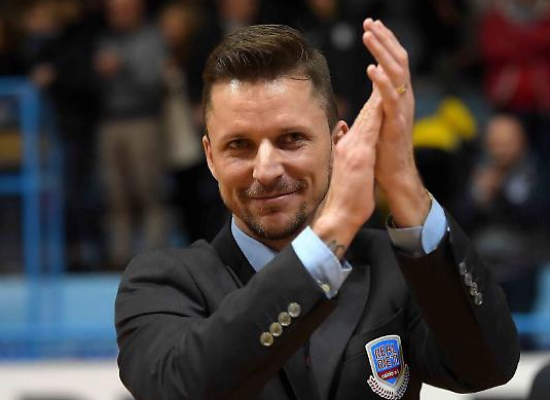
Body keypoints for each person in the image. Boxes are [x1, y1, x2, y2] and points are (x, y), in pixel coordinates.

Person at [115, 20, 519, 400]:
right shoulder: (162, 282)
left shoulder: (398, 266)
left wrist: (403, 183)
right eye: (239, 145)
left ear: (338, 143)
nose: (266, 170)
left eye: (291, 138)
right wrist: (331, 233)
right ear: (210, 157)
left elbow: (485, 366)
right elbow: (181, 389)